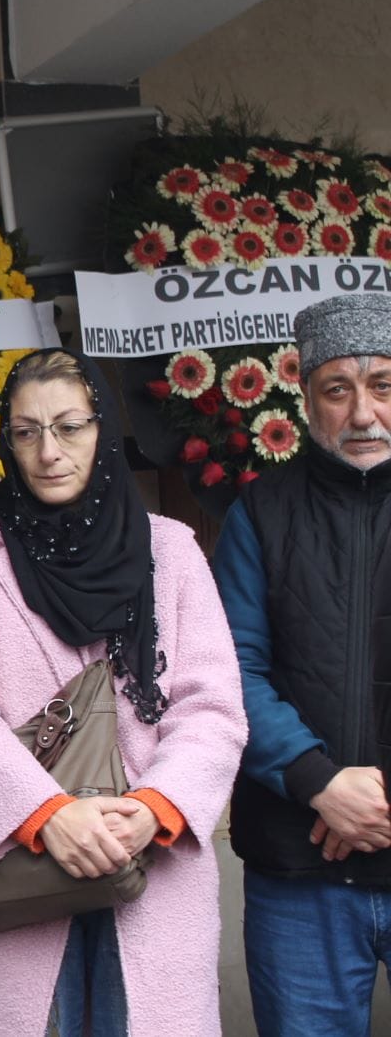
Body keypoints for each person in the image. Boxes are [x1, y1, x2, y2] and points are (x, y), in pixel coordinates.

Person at [0, 349, 247, 1036]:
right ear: (6, 441)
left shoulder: (170, 549)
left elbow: (211, 705)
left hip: (148, 867)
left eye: (70, 426)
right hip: (20, 875)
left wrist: (157, 806)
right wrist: (47, 813)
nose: (49, 451)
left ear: (104, 430)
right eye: (27, 432)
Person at [212, 293, 391, 1036]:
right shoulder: (259, 514)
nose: (362, 415)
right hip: (300, 868)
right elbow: (229, 670)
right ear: (306, 397)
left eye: (383, 385)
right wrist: (319, 783)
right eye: (337, 390)